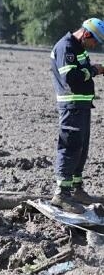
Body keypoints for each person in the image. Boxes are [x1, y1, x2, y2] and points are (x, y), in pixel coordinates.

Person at [49, 18, 104, 213]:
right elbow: (70, 77)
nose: (95, 45)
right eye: (95, 40)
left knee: (81, 147)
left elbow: (81, 72)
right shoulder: (66, 47)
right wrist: (94, 71)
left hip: (82, 105)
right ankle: (61, 194)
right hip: (71, 105)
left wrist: (92, 70)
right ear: (85, 34)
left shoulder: (79, 48)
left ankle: (76, 188)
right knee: (70, 146)